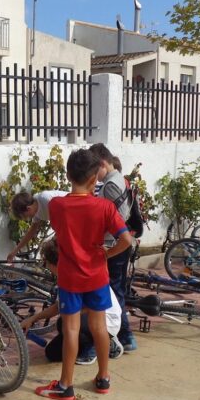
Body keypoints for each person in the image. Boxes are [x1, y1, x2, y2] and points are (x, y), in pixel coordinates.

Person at [34, 149, 134, 400]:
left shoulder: (57, 206)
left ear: (68, 175)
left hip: (70, 278)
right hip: (97, 276)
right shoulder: (105, 207)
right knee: (99, 327)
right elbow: (126, 240)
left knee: (71, 328)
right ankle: (103, 377)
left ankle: (65, 385)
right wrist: (107, 254)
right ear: (94, 179)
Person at [19, 239, 123, 366]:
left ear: (55, 263)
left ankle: (94, 347)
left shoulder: (80, 275)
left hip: (106, 321)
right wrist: (33, 319)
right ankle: (102, 344)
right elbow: (58, 306)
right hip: (87, 319)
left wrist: (70, 313)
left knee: (66, 321)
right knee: (52, 353)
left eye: (45, 263)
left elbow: (92, 306)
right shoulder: (65, 276)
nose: (46, 267)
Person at [88, 143, 136, 355]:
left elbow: (118, 217)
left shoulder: (110, 185)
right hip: (119, 243)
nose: (93, 175)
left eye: (94, 169)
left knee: (114, 293)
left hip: (114, 245)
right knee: (116, 291)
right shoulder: (119, 179)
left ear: (102, 164)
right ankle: (123, 336)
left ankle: (124, 336)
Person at [7, 188, 67, 262]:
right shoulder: (36, 210)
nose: (27, 219)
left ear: (28, 208)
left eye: (25, 216)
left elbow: (64, 216)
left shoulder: (46, 199)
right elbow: (31, 232)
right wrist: (15, 251)